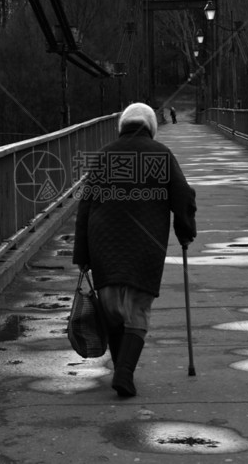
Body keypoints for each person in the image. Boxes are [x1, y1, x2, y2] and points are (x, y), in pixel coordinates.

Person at [73, 103, 197, 397]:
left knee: (113, 309)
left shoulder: (103, 155)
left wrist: (82, 254)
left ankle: (121, 371)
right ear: (151, 127)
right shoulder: (161, 155)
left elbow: (85, 207)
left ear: (122, 126)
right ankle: (124, 374)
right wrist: (185, 231)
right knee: (138, 308)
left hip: (104, 244)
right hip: (146, 246)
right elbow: (183, 197)